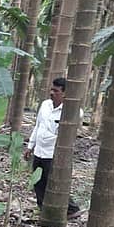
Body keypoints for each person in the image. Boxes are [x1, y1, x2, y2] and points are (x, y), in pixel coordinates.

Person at [24, 77, 80, 214]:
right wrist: (30, 146)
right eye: (52, 89)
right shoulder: (45, 105)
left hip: (53, 154)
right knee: (38, 183)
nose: (52, 92)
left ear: (64, 93)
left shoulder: (73, 112)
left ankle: (72, 209)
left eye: (56, 91)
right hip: (39, 151)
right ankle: (42, 208)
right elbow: (38, 126)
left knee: (54, 183)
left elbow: (67, 136)